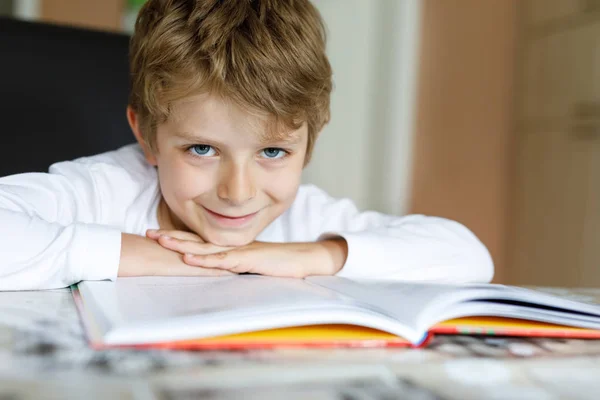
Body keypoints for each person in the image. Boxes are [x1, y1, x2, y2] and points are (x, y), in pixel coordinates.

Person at [0, 0, 493, 290]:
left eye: (273, 153)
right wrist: (167, 259)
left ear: (309, 146)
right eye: (202, 150)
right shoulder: (102, 192)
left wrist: (309, 258)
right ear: (147, 136)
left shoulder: (307, 223)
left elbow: (467, 256)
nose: (238, 193)